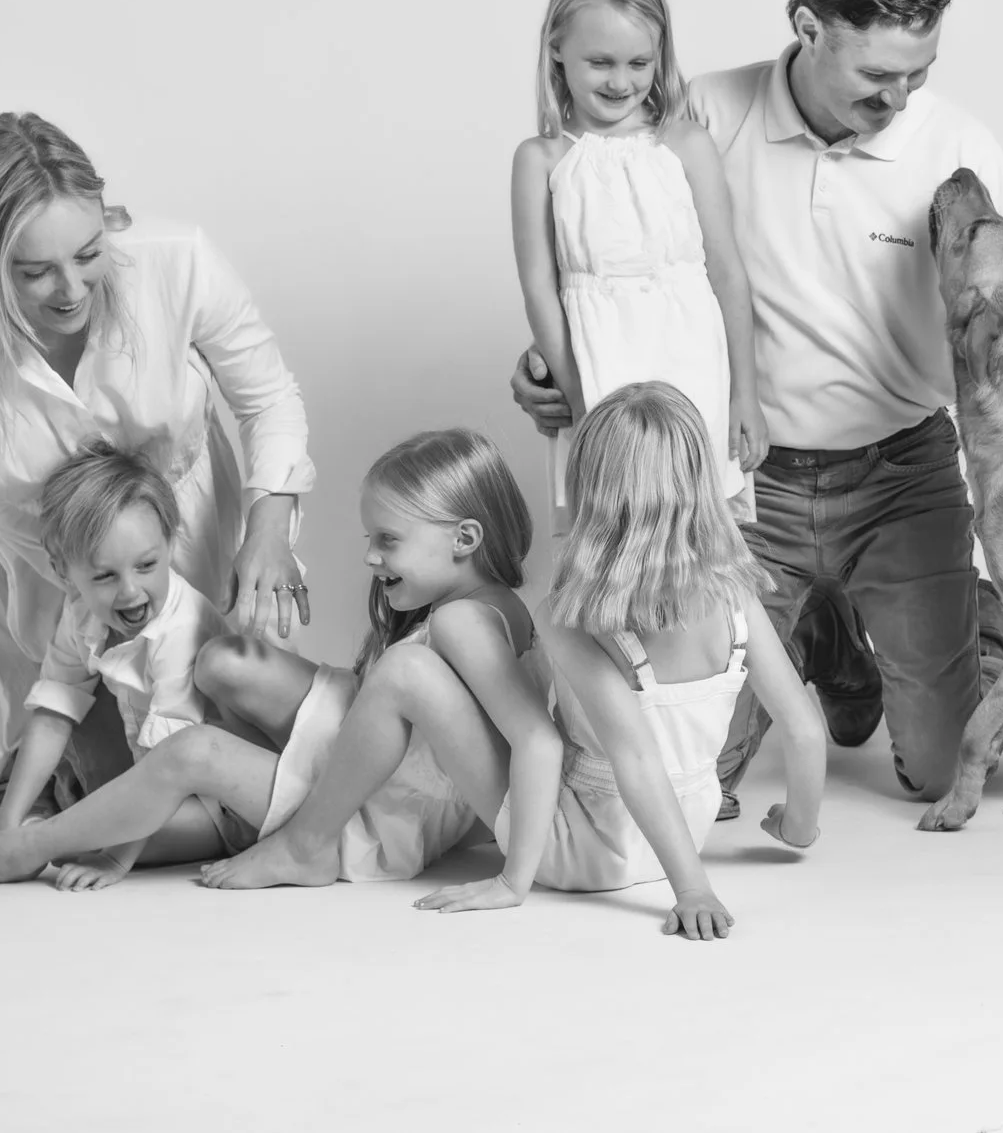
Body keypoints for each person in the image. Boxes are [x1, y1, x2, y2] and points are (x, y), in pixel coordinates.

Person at [511, 0, 1003, 811]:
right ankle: (825, 630)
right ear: (807, 28)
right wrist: (556, 362)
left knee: (937, 768)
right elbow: (620, 248)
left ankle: (964, 618)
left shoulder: (954, 144)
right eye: (877, 75)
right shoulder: (703, 114)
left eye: (917, 73)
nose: (899, 97)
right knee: (693, 769)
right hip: (749, 476)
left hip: (901, 471)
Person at [0, 112, 315, 891]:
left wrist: (270, 525)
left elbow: (268, 395)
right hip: (54, 582)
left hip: (184, 533)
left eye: (86, 255)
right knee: (57, 768)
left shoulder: (176, 261)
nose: (72, 288)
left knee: (193, 739)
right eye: (34, 270)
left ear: (108, 215)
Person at [222, 385, 824, 942]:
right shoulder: (735, 597)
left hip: (585, 853)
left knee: (409, 672)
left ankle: (306, 840)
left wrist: (523, 882)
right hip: (687, 831)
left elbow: (632, 761)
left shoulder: (574, 617)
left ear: (591, 491)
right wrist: (798, 826)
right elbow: (800, 727)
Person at [0, 429, 534, 891]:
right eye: (373, 539)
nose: (370, 559)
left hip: (379, 807)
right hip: (365, 749)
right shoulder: (482, 609)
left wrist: (118, 853)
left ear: (465, 538)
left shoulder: (468, 625)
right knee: (224, 664)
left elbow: (510, 752)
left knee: (186, 754)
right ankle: (50, 825)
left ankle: (20, 850)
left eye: (388, 542)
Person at [510, 0, 764, 512]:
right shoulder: (541, 159)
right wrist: (581, 402)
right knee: (611, 544)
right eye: (601, 62)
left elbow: (726, 272)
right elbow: (539, 290)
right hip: (598, 372)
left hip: (693, 369)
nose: (621, 82)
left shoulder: (686, 145)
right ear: (556, 47)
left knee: (701, 540)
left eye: (639, 63)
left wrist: (745, 392)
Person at [0, 443, 241, 890]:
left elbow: (167, 769)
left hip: (221, 803)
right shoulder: (80, 614)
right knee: (54, 827)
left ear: (171, 542)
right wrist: (7, 821)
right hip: (156, 787)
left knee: (66, 844)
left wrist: (116, 859)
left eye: (146, 565)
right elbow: (54, 710)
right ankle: (13, 837)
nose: (130, 591)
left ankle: (36, 841)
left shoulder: (179, 631)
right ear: (63, 571)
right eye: (104, 576)